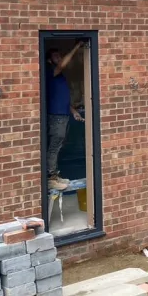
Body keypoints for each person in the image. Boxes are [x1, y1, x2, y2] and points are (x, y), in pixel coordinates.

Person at [45, 42, 85, 191]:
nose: (59, 58)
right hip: (56, 117)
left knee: (58, 146)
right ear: (49, 60)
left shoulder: (59, 75)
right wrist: (76, 47)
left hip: (63, 115)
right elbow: (61, 65)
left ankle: (54, 175)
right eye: (56, 56)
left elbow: (61, 98)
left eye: (59, 55)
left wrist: (73, 111)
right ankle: (50, 178)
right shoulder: (50, 71)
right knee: (54, 147)